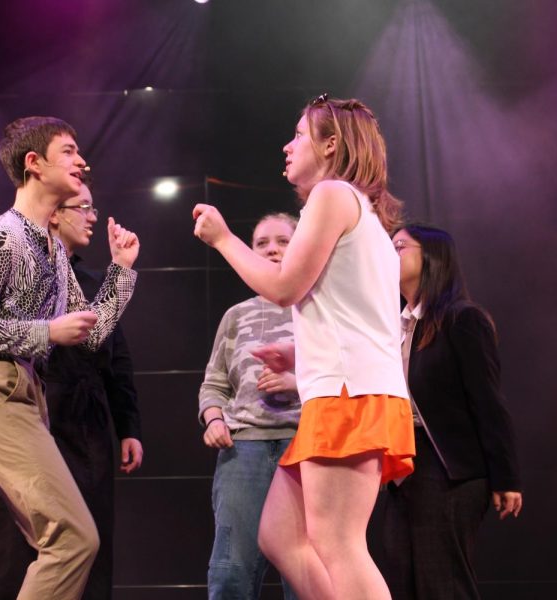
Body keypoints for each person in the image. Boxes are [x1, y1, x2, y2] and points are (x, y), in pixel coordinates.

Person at [192, 93, 414, 600]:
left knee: (338, 543)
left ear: (331, 144)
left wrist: (226, 239)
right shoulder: (361, 212)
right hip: (346, 390)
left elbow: (285, 287)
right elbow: (360, 316)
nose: (287, 145)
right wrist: (299, 354)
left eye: (298, 134)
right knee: (281, 536)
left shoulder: (333, 195)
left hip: (348, 396)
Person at [0, 116, 139, 600]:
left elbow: (91, 337)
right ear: (34, 164)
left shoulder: (50, 247)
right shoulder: (5, 236)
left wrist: (120, 273)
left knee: (71, 541)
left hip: (25, 397)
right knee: (72, 539)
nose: (82, 160)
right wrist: (45, 330)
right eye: (69, 151)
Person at [0, 183, 143, 600]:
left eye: (94, 206)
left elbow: (109, 351)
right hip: (35, 406)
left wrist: (128, 426)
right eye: (83, 207)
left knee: (89, 534)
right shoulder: (25, 260)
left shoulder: (89, 279)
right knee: (26, 531)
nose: (93, 215)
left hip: (88, 419)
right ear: (54, 213)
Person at [379, 224, 523, 599]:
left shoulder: (462, 319)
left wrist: (505, 476)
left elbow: (488, 400)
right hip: (401, 466)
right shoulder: (393, 326)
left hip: (447, 468)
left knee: (441, 583)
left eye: (398, 246)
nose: (387, 253)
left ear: (431, 257)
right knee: (400, 582)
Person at [198, 213, 302, 600]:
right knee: (231, 574)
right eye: (262, 243)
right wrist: (213, 419)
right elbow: (214, 383)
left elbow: (343, 376)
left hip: (304, 445)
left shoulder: (319, 308)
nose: (272, 249)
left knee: (304, 574)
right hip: (243, 449)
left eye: (282, 241)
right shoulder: (237, 315)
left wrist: (296, 384)